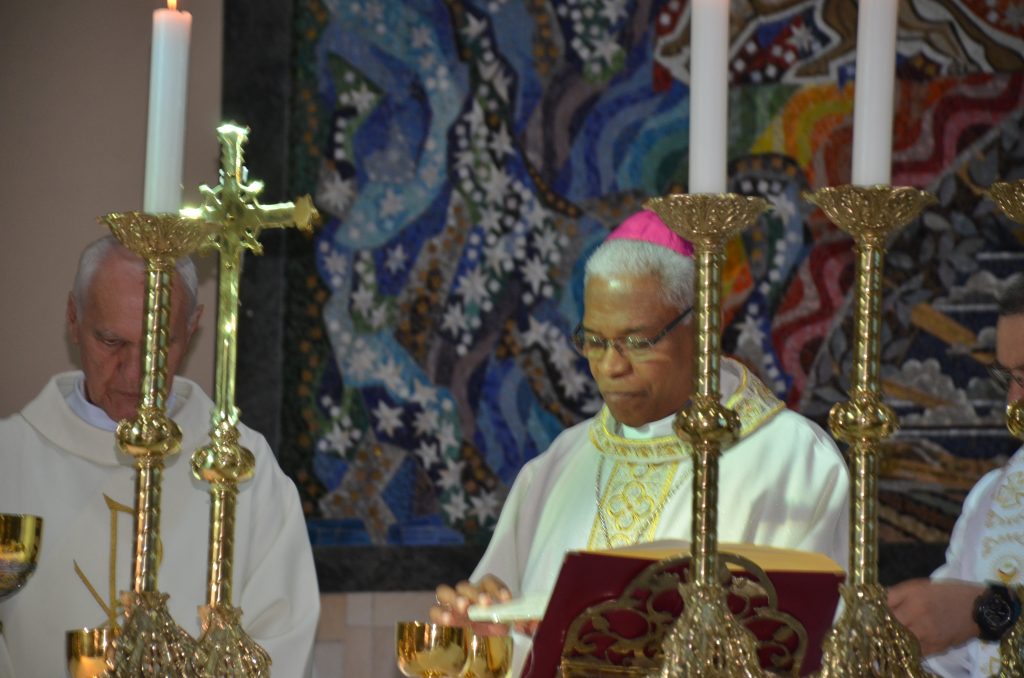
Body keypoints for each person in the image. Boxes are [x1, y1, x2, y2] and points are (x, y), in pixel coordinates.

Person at [431, 210, 851, 676]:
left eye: (637, 341)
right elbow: (511, 645)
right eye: (594, 341)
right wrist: (478, 639)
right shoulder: (556, 468)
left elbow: (814, 653)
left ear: (703, 328)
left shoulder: (794, 462)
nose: (611, 367)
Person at [0, 236, 320, 677]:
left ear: (193, 328)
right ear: (73, 318)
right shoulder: (9, 459)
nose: (137, 373)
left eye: (160, 344)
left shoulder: (244, 468)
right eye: (111, 341)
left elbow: (283, 638)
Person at [888, 275, 1024, 678]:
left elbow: (973, 613)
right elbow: (949, 657)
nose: (1014, 402)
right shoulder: (994, 496)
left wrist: (990, 611)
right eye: (1009, 378)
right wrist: (898, 630)